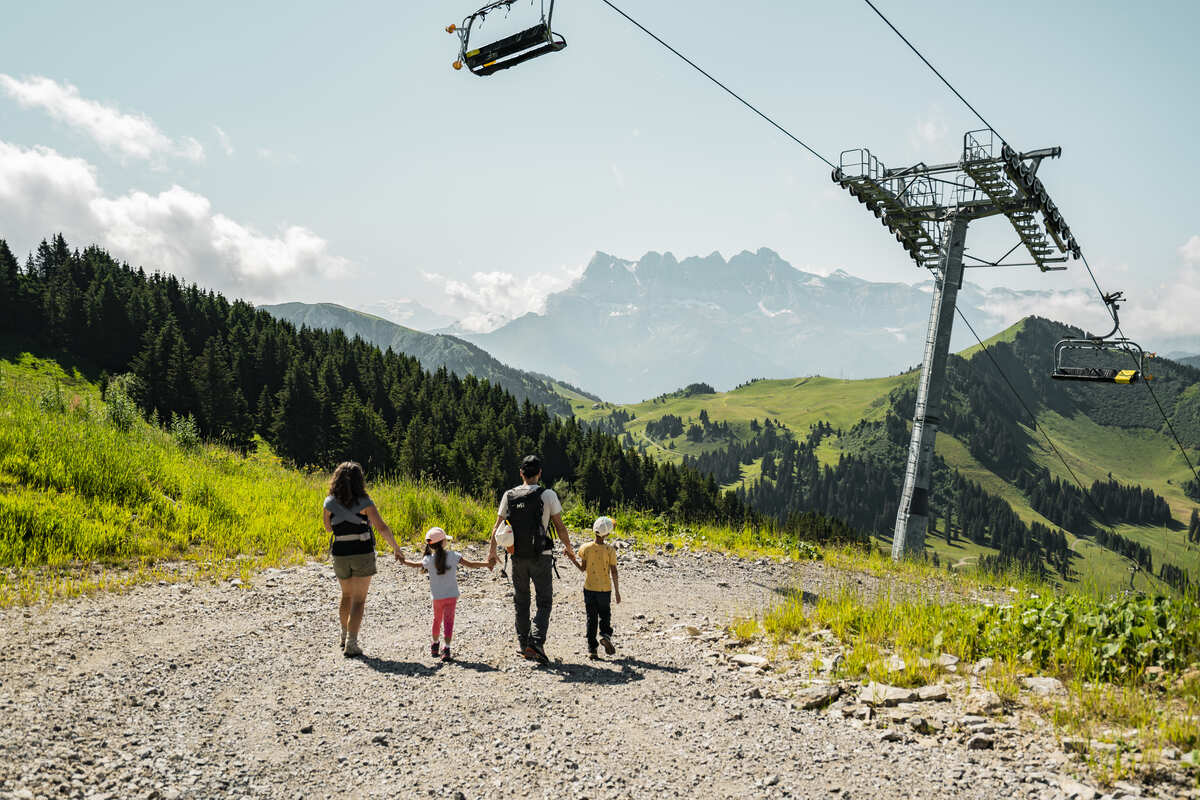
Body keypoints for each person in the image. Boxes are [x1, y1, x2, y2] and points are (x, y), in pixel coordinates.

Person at [489, 455, 580, 663]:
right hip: (542, 556)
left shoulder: (509, 495)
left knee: (521, 602)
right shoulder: (547, 495)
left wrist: (492, 552)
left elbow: (497, 528)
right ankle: (536, 642)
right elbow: (559, 525)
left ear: (521, 473)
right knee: (544, 602)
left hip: (517, 557)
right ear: (539, 473)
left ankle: (524, 645)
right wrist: (569, 548)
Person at [323, 461, 403, 657]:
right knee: (359, 600)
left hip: (340, 553)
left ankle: (343, 635)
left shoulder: (329, 503)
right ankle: (352, 642)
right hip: (362, 552)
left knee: (346, 595)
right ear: (360, 481)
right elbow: (381, 528)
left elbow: (328, 528)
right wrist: (396, 548)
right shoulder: (366, 502)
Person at [398, 527, 495, 661]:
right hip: (451, 595)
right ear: (443, 542)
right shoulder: (454, 556)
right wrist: (487, 564)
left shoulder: (428, 559)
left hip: (437, 597)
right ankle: (447, 648)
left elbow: (414, 564)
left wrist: (402, 560)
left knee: (437, 620)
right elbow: (471, 564)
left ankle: (435, 644)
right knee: (449, 622)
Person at [576, 516, 621, 659]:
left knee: (591, 618)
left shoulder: (585, 548)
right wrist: (617, 592)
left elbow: (582, 569)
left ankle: (592, 649)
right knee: (605, 615)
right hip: (605, 590)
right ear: (607, 534)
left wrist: (571, 558)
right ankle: (605, 635)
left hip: (589, 589)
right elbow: (613, 571)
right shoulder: (610, 550)